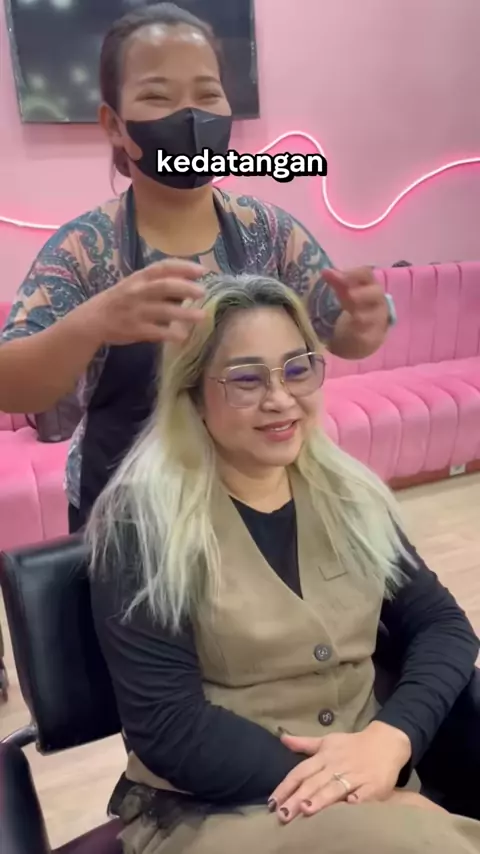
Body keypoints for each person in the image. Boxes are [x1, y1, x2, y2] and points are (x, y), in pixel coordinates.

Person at [88, 273, 480, 854]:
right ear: (192, 393)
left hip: (372, 788)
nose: (280, 398)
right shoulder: (142, 522)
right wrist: (350, 791)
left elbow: (443, 626)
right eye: (247, 379)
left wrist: (390, 739)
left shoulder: (350, 496)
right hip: (217, 810)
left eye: (297, 369)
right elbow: (169, 724)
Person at [0, 2, 394, 534]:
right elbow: (11, 386)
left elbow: (339, 333)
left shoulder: (268, 231)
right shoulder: (85, 249)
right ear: (114, 124)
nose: (189, 116)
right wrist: (93, 323)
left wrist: (365, 324)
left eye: (207, 94)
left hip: (254, 500)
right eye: (158, 97)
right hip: (126, 515)